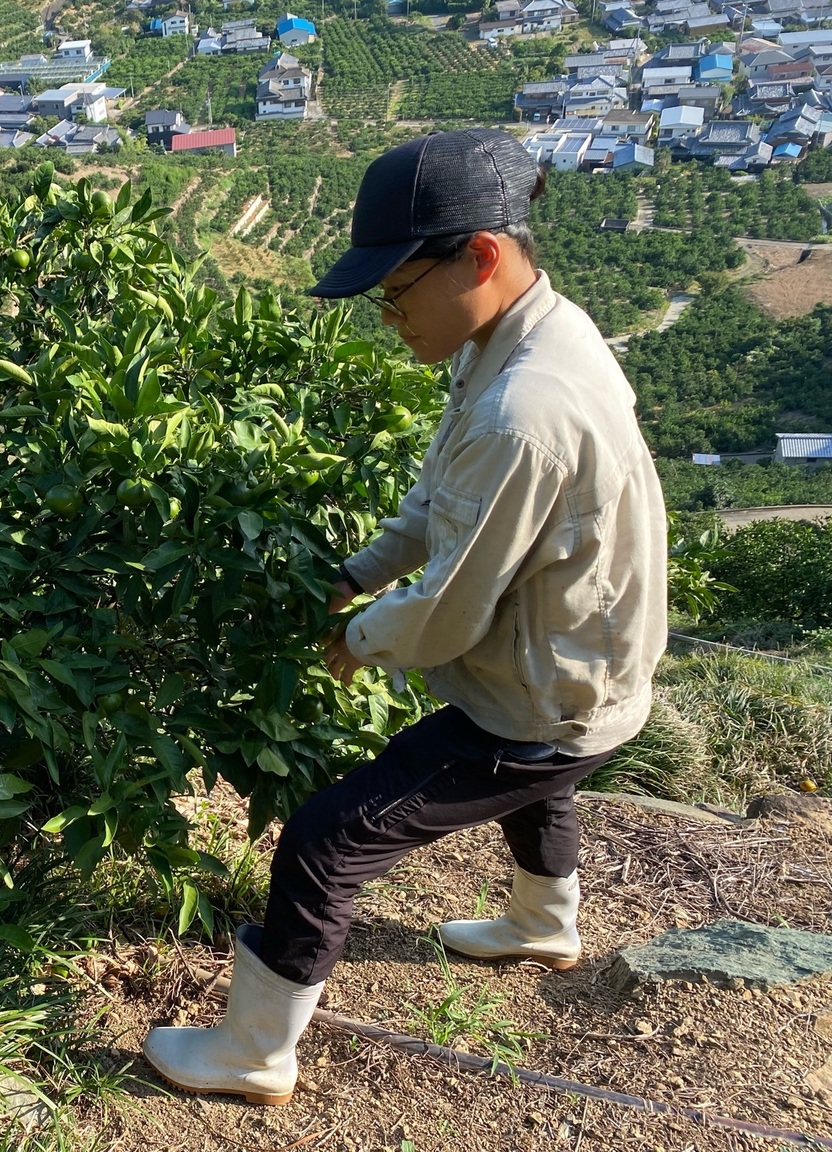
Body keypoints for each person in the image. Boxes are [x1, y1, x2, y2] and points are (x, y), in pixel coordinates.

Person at [142, 128, 669, 1106]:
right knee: (537, 786)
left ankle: (256, 1050)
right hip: (583, 674)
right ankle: (544, 922)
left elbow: (452, 615)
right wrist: (358, 573)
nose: (389, 316)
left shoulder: (527, 409)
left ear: (480, 255)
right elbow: (440, 501)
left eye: (396, 292)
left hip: (550, 695)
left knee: (327, 839)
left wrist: (359, 636)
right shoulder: (517, 338)